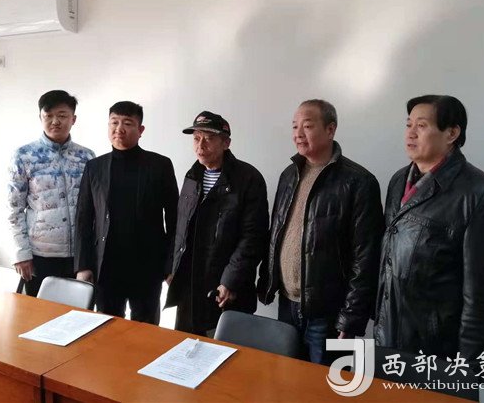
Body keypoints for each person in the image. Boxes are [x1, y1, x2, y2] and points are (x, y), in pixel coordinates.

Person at [374, 95, 484, 374]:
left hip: (438, 353)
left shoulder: (482, 197)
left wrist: (468, 371)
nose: (410, 133)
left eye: (422, 125)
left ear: (452, 133)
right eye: (408, 124)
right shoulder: (399, 180)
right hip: (387, 339)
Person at [257, 99, 384, 365]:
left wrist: (351, 317)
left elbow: (366, 258)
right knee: (286, 378)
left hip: (329, 313)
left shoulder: (359, 182)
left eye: (307, 126)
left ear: (330, 129)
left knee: (324, 382)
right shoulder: (289, 175)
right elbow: (276, 234)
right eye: (294, 127)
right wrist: (267, 282)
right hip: (287, 304)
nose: (298, 134)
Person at [74, 101, 178, 324]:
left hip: (147, 265)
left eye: (127, 123)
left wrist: (171, 265)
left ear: (141, 130)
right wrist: (83, 265)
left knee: (146, 328)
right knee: (106, 327)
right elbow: (83, 219)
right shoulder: (94, 167)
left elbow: (175, 220)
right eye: (114, 122)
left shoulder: (160, 165)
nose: (119, 129)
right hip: (106, 265)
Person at [166, 111, 269, 335]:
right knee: (186, 348)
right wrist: (172, 268)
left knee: (227, 350)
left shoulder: (248, 179)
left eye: (209, 138)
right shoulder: (192, 176)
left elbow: (253, 238)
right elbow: (180, 228)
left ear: (226, 143)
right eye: (196, 138)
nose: (200, 145)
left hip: (226, 289)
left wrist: (231, 281)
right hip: (190, 288)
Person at [8, 90, 95, 296]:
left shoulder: (87, 157)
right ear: (40, 118)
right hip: (40, 254)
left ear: (73, 119)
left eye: (62, 115)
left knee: (79, 310)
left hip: (79, 255)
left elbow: (94, 208)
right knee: (40, 312)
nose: (55, 121)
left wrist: (91, 254)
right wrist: (21, 253)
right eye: (48, 116)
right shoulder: (24, 156)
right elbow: (14, 209)